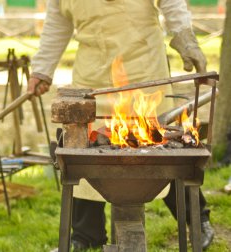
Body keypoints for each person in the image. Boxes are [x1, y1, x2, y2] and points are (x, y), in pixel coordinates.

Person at [28, 0, 214, 250]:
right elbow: (57, 21)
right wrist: (42, 69)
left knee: (163, 151)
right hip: (92, 76)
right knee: (84, 151)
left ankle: (196, 219)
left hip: (144, 72)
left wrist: (185, 37)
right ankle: (86, 235)